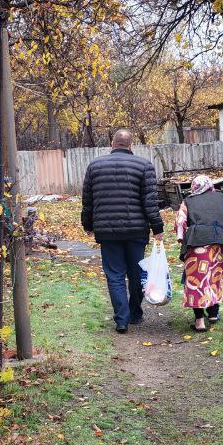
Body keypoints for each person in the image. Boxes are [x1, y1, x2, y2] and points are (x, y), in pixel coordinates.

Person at [81, 129, 165, 333]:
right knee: (136, 272)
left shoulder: (95, 166)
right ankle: (135, 314)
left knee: (115, 275)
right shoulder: (144, 166)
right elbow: (150, 202)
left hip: (107, 232)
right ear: (131, 145)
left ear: (112, 144)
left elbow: (87, 201)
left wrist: (88, 224)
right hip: (136, 231)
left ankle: (121, 319)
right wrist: (157, 228)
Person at [175, 175, 223, 331]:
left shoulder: (188, 201)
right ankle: (213, 314)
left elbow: (180, 220)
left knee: (196, 280)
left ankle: (199, 321)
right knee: (214, 277)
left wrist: (181, 236)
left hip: (196, 243)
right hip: (218, 242)